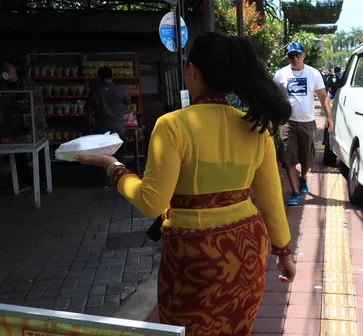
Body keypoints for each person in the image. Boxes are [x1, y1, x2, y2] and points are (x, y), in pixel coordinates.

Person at [75, 31, 296, 335]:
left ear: (191, 71)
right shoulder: (255, 127)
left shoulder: (172, 125)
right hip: (246, 248)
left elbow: (151, 201)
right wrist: (284, 252)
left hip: (195, 254)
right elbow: (271, 201)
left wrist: (112, 166)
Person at [273, 42, 334, 205]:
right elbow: (273, 97)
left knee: (307, 159)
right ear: (287, 58)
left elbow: (323, 97)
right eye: (291, 56)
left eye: (297, 55)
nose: (295, 58)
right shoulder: (280, 75)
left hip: (307, 122)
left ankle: (303, 177)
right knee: (288, 157)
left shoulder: (313, 74)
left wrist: (329, 118)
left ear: (303, 56)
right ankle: (295, 192)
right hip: (287, 122)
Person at [0, 59, 47, 190]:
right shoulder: (2, 85)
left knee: (39, 153)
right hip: (12, 126)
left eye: (7, 70)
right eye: (3, 70)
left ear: (14, 69)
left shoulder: (27, 83)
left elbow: (38, 102)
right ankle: (26, 181)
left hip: (31, 123)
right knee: (19, 154)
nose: (5, 73)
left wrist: (42, 121)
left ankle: (42, 180)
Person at [84, 67, 130, 187]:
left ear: (99, 77)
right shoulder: (119, 90)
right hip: (119, 129)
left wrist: (90, 126)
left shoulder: (94, 91)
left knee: (104, 157)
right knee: (120, 155)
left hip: (102, 130)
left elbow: (89, 112)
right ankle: (122, 181)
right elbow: (128, 101)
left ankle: (105, 182)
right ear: (112, 77)